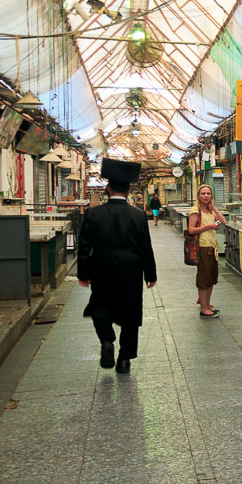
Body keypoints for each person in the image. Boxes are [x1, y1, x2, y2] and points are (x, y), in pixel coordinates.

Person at [77, 159, 157, 374]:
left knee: (100, 307)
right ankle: (124, 360)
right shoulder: (139, 216)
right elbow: (145, 248)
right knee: (130, 314)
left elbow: (83, 247)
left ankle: (106, 340)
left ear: (107, 188)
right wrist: (150, 274)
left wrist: (83, 274)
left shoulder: (93, 214)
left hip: (101, 267)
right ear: (129, 189)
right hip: (131, 270)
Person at [189, 184, 224, 318]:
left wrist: (214, 207)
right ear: (198, 196)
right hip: (202, 247)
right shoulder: (195, 210)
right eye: (203, 193)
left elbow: (223, 221)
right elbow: (191, 230)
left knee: (211, 277)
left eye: (208, 194)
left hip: (212, 247)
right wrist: (208, 226)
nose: (206, 196)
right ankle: (204, 308)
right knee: (204, 279)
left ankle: (206, 303)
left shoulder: (210, 211)